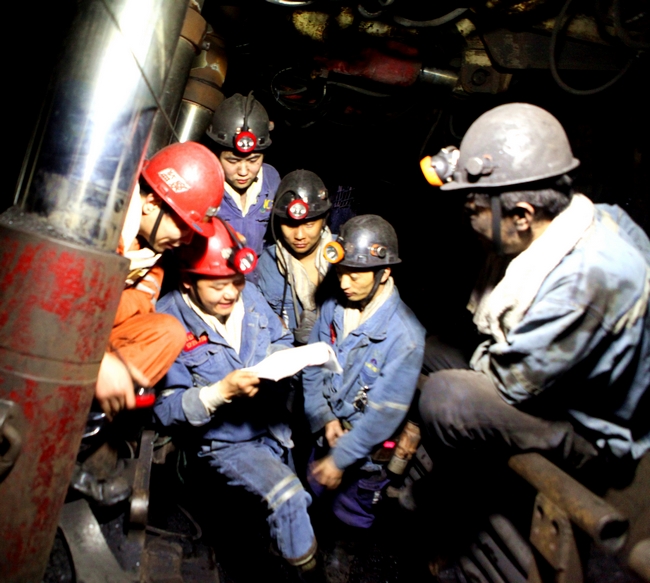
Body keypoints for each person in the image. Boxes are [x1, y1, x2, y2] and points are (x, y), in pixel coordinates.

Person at [418, 102, 650, 478]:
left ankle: (462, 489)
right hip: (555, 373)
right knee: (427, 350)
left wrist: (485, 358)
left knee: (445, 398)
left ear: (522, 215)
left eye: (474, 210)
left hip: (591, 428)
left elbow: (511, 381)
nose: (468, 220)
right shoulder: (587, 216)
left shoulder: (586, 283)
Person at [152, 221, 319, 578]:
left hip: (273, 430)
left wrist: (281, 361)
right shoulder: (166, 322)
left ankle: (275, 557)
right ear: (188, 281)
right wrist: (220, 393)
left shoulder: (250, 296)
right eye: (217, 285)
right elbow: (165, 410)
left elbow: (280, 339)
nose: (230, 293)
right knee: (289, 500)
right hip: (224, 443)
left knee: (283, 516)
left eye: (236, 281)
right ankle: (305, 574)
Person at [302, 215, 426, 529]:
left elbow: (385, 412)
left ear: (385, 273)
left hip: (364, 455)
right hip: (325, 435)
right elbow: (314, 362)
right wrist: (323, 416)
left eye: (355, 275)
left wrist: (341, 457)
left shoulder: (405, 337)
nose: (344, 284)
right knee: (315, 498)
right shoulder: (333, 306)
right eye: (340, 272)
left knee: (351, 516)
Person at [96, 141, 225, 421]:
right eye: (184, 225)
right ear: (152, 204)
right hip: (45, 334)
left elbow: (141, 304)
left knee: (168, 331)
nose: (188, 240)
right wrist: (97, 362)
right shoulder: (99, 225)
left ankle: (91, 414)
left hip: (91, 331)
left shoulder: (151, 252)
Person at [257, 169, 335, 345]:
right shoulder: (266, 265)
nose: (299, 235)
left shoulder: (344, 257)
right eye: (290, 225)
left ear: (324, 220)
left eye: (309, 224)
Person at [205, 92, 280, 268]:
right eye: (232, 161)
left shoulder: (272, 180)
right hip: (214, 274)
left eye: (253, 160)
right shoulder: (204, 183)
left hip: (256, 274)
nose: (243, 172)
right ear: (217, 154)